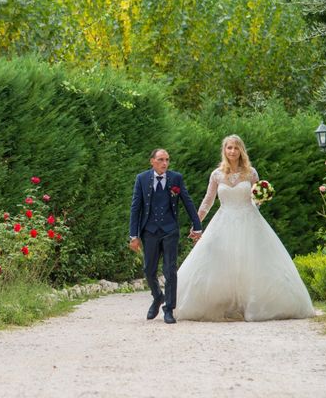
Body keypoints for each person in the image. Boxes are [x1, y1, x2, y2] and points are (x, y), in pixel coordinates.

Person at [176, 135, 315, 321]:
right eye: (229, 148)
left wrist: (260, 198)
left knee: (252, 262)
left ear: (241, 150)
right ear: (224, 150)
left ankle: (253, 304)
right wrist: (197, 222)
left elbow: (256, 201)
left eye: (235, 148)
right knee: (219, 262)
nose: (232, 151)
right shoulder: (216, 174)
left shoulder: (251, 173)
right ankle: (223, 305)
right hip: (223, 220)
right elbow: (208, 201)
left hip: (249, 220)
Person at [129, 149, 202, 323]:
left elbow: (187, 201)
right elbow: (135, 207)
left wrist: (197, 226)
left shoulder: (176, 178)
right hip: (149, 231)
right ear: (152, 161)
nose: (165, 163)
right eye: (161, 160)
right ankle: (157, 296)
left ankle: (169, 308)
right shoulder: (142, 178)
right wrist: (134, 235)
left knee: (170, 270)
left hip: (170, 230)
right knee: (149, 269)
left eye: (167, 160)